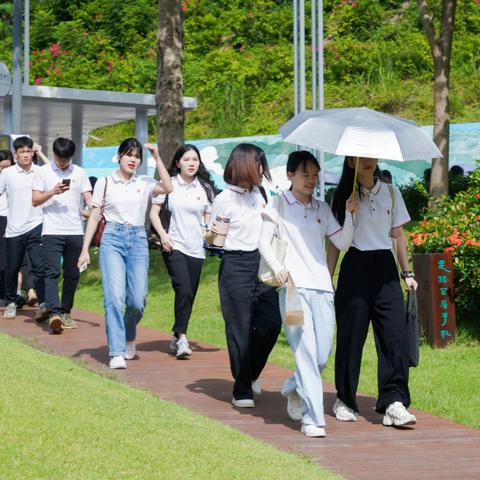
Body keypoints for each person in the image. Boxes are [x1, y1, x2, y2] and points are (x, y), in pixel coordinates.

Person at [258, 151, 358, 437]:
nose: (312, 180)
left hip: (323, 288)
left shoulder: (322, 209)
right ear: (290, 175)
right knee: (305, 352)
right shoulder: (277, 204)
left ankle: (293, 387)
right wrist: (278, 268)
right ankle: (312, 419)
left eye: (315, 175)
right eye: (305, 175)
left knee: (322, 353)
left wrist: (350, 216)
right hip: (292, 289)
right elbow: (262, 241)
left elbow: (342, 242)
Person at [327, 156, 418, 427]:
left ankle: (394, 402)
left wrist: (407, 272)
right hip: (355, 267)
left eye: (371, 156)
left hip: (385, 269)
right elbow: (334, 242)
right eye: (360, 157)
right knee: (350, 338)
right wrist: (327, 277)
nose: (368, 161)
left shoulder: (391, 192)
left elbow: (398, 235)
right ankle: (344, 399)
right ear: (350, 163)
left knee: (394, 338)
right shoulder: (342, 196)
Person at [77, 138, 172, 369]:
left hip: (138, 239)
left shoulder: (145, 181)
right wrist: (84, 250)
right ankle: (116, 351)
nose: (133, 160)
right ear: (119, 156)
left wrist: (157, 157)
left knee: (137, 301)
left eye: (137, 156)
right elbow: (95, 215)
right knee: (114, 298)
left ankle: (129, 332)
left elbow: (168, 187)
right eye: (129, 154)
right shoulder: (105, 182)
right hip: (112, 239)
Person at [207, 143, 282, 408]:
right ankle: (242, 389)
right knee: (239, 329)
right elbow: (213, 241)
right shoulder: (223, 199)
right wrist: (213, 233)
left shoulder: (263, 193)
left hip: (262, 264)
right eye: (259, 164)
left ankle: (248, 374)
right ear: (245, 166)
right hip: (235, 265)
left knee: (271, 324)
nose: (263, 170)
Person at [149, 144, 217, 359]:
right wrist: (163, 235)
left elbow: (208, 218)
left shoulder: (205, 188)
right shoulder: (169, 185)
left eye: (195, 160)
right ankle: (182, 338)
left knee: (189, 294)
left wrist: (210, 232)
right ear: (178, 163)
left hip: (196, 249)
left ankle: (176, 331)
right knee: (184, 288)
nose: (191, 163)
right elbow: (153, 213)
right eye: (187, 159)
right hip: (173, 245)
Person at [32, 137, 92, 333]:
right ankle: (54, 313)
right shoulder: (43, 172)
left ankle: (66, 310)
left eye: (66, 159)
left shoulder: (80, 172)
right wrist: (52, 192)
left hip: (75, 231)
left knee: (72, 274)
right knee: (51, 273)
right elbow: (35, 200)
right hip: (51, 231)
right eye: (60, 159)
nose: (63, 163)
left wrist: (95, 209)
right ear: (54, 155)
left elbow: (89, 199)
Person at [0, 138, 46, 320]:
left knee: (39, 267)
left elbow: (57, 178)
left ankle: (43, 303)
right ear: (16, 154)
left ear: (33, 152)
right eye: (22, 152)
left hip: (37, 225)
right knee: (11, 268)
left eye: (29, 151)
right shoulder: (8, 173)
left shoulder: (40, 172)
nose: (26, 155)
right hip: (13, 229)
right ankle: (10, 302)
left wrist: (42, 153)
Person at [0, 150, 14, 306]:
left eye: (7, 167)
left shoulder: (16, 177)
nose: (4, 170)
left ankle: (9, 293)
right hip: (1, 218)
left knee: (10, 258)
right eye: (2, 167)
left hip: (13, 218)